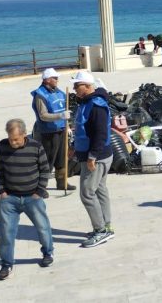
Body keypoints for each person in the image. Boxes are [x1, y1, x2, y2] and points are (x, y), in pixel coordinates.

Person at [0, 119, 54, 281]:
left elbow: (45, 170)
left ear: (24, 134)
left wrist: (39, 191)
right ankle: (6, 264)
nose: (12, 142)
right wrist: (2, 191)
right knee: (6, 233)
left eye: (16, 139)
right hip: (9, 199)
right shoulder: (3, 145)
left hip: (32, 197)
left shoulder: (36, 146)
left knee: (42, 227)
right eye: (10, 138)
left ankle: (48, 252)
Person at [69, 71, 115, 247]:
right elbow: (83, 130)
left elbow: (100, 134)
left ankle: (101, 230)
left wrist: (92, 156)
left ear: (87, 86)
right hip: (94, 154)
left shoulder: (95, 106)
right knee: (100, 189)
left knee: (87, 193)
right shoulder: (86, 102)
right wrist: (74, 148)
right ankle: (106, 225)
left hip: (97, 156)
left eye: (77, 86)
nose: (74, 89)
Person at [30, 68, 74, 191]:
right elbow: (43, 115)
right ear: (47, 80)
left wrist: (68, 125)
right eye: (54, 78)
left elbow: (64, 109)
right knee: (47, 161)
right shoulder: (40, 94)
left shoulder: (59, 92)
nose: (57, 80)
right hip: (48, 133)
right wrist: (60, 116)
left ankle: (62, 182)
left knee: (62, 158)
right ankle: (40, 187)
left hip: (61, 129)